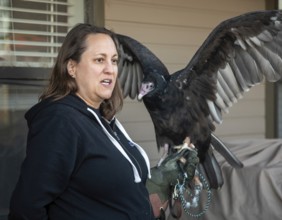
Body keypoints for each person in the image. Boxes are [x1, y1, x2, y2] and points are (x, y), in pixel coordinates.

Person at [8, 23, 199, 220]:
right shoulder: (61, 121)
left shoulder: (104, 119)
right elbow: (26, 210)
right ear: (72, 67)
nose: (110, 70)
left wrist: (161, 177)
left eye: (114, 60)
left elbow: (110, 192)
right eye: (99, 60)